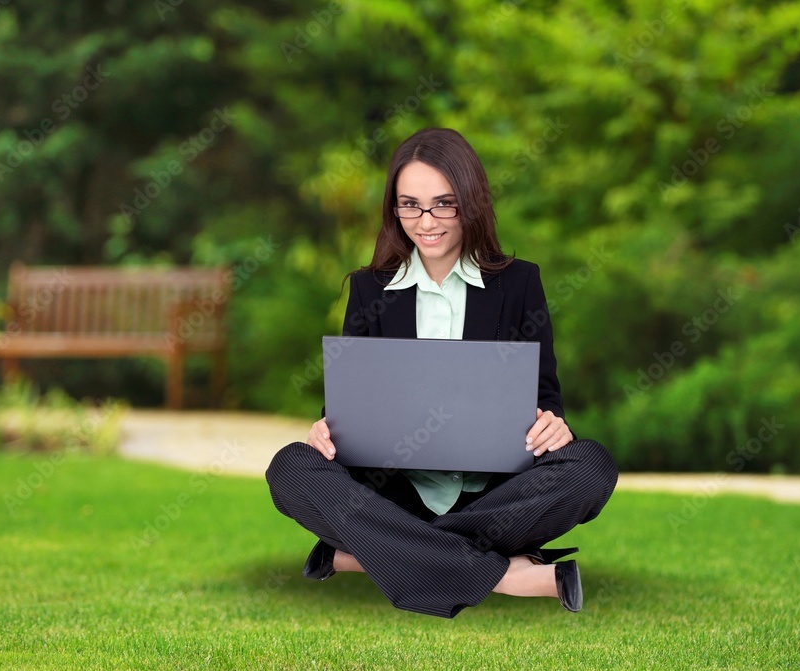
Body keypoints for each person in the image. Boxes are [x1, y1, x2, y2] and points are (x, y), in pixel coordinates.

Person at [265, 127, 618, 618]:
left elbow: (543, 393)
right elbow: (349, 405)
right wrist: (327, 431)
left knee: (591, 468)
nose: (425, 221)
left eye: (443, 205)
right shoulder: (369, 290)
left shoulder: (518, 283)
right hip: (393, 492)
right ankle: (509, 575)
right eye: (409, 205)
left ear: (470, 203)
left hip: (493, 495)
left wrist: (553, 422)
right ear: (394, 208)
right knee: (290, 467)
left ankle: (370, 554)